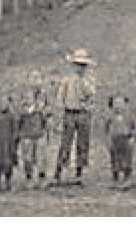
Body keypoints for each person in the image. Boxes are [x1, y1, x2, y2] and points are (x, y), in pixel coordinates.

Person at [53, 49, 98, 182]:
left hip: (83, 114)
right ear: (73, 65)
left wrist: (83, 83)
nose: (80, 68)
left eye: (83, 65)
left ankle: (79, 173)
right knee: (66, 143)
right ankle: (58, 172)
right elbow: (60, 98)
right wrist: (58, 114)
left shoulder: (89, 80)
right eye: (78, 65)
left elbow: (92, 95)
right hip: (69, 113)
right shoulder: (66, 80)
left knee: (82, 143)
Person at [0, 94, 21, 190]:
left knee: (8, 163)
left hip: (8, 143)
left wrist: (14, 141)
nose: (3, 105)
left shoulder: (12, 116)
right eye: (1, 102)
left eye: (5, 102)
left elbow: (15, 130)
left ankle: (8, 182)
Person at [17, 84, 49, 186]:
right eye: (25, 98)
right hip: (27, 136)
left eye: (29, 97)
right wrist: (20, 135)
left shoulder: (40, 110)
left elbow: (45, 121)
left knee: (41, 158)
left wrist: (44, 133)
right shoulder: (21, 111)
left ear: (34, 99)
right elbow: (19, 123)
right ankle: (29, 178)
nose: (27, 100)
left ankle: (42, 177)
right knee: (27, 158)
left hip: (39, 136)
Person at [107, 93, 136, 187]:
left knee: (127, 160)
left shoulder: (129, 116)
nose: (118, 106)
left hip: (126, 139)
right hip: (115, 140)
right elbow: (106, 129)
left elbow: (134, 128)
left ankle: (127, 179)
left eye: (121, 103)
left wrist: (132, 138)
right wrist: (108, 140)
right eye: (116, 104)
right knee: (115, 160)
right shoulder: (110, 116)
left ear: (125, 104)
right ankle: (115, 179)